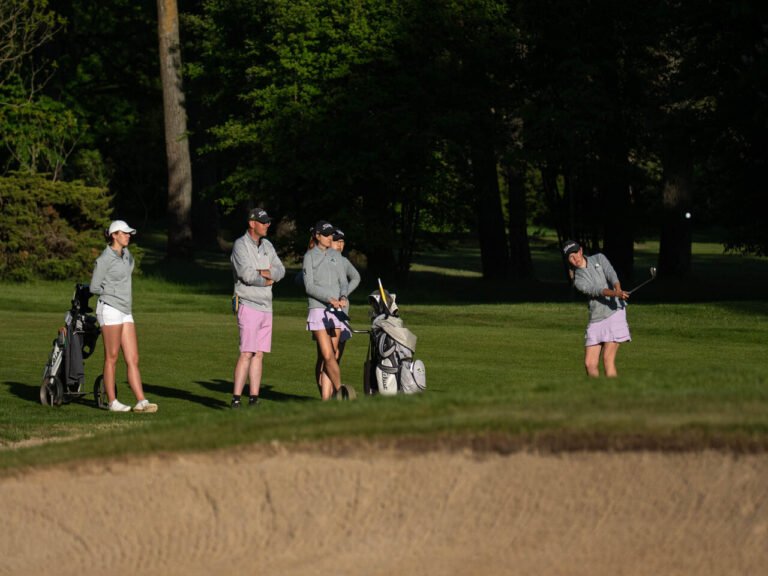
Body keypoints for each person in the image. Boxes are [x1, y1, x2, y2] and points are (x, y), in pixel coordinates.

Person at [89, 220, 158, 413]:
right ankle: (112, 402)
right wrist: (112, 292)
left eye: (129, 233)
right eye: (124, 233)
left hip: (125, 310)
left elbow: (127, 271)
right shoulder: (104, 259)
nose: (128, 236)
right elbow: (95, 287)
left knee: (133, 358)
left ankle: (141, 401)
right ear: (114, 235)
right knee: (111, 357)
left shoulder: (127, 255)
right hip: (109, 309)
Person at [230, 207, 285, 408]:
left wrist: (265, 273)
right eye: (263, 222)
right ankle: (236, 398)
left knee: (259, 353)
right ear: (252, 223)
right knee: (247, 352)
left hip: (266, 307)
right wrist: (267, 279)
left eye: (268, 221)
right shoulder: (240, 245)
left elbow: (281, 270)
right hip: (248, 304)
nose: (267, 225)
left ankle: (254, 398)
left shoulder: (268, 245)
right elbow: (246, 275)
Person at [563, 239, 631, 377]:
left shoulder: (599, 257)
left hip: (614, 312)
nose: (575, 258)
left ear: (581, 251)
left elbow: (611, 273)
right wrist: (615, 293)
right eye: (571, 256)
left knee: (607, 359)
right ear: (568, 260)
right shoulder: (578, 280)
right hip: (596, 318)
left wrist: (618, 289)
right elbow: (596, 290)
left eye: (576, 253)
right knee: (590, 364)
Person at [302, 221, 349, 400]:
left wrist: (343, 297)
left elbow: (343, 282)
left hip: (336, 311)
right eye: (327, 234)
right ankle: (340, 391)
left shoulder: (335, 256)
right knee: (327, 354)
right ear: (317, 236)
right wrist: (330, 299)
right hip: (318, 310)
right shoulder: (309, 256)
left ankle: (327, 400)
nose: (330, 237)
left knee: (333, 356)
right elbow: (309, 286)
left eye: (331, 234)